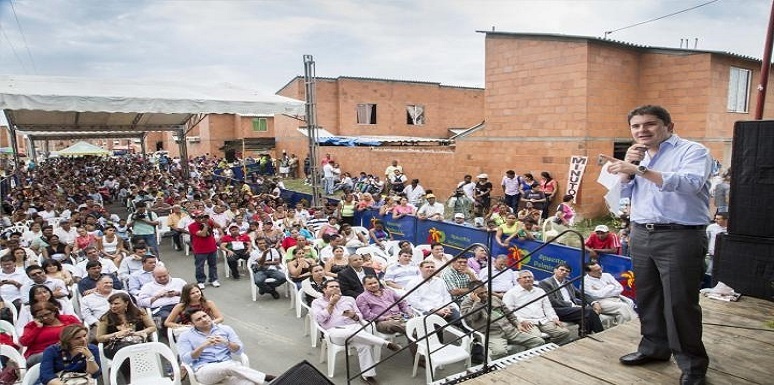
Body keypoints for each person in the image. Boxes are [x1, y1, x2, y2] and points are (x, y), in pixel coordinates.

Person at [601, 105, 711, 384]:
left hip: (680, 235)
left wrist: (638, 168)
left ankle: (692, 364)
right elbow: (619, 197)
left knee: (680, 303)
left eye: (649, 124)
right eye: (636, 126)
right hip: (640, 233)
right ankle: (654, 348)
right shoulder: (636, 155)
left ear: (669, 126)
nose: (642, 130)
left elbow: (689, 184)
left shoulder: (693, 151)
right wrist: (626, 171)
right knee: (648, 297)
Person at [312, 280, 400, 385]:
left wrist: (354, 316)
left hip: (354, 327)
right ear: (324, 289)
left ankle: (367, 376)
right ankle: (384, 343)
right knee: (353, 334)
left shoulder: (349, 299)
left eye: (337, 286)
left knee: (365, 345)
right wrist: (331, 304)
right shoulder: (317, 302)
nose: (335, 288)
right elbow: (319, 319)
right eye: (332, 287)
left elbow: (360, 316)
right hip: (335, 331)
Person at [179, 309, 275, 384]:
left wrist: (226, 343)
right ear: (191, 324)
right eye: (198, 319)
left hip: (229, 369)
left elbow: (239, 350)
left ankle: (262, 378)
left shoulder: (225, 329)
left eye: (205, 316)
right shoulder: (185, 335)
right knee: (228, 367)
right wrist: (203, 346)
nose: (204, 319)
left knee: (249, 383)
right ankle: (267, 377)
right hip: (205, 370)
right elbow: (186, 359)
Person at [460, 281, 545, 357]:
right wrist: (477, 302)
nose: (485, 295)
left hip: (510, 330)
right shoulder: (466, 304)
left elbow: (509, 313)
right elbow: (472, 318)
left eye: (486, 292)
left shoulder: (494, 299)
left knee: (539, 342)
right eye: (481, 293)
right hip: (493, 335)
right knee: (500, 352)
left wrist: (517, 324)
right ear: (472, 294)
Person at [502, 270, 570, 344]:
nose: (528, 279)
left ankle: (550, 347)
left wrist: (554, 318)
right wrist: (520, 320)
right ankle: (543, 347)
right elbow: (508, 311)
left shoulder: (540, 291)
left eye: (530, 277)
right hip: (526, 321)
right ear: (518, 280)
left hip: (543, 320)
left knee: (564, 332)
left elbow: (548, 308)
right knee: (537, 337)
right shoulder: (511, 293)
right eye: (524, 277)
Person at [538, 263, 604, 335]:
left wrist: (594, 302)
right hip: (557, 310)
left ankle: (584, 337)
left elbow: (580, 294)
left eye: (567, 271)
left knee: (585, 319)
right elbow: (552, 301)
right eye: (562, 270)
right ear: (555, 270)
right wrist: (572, 305)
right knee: (589, 311)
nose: (564, 272)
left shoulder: (568, 283)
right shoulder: (545, 283)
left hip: (570, 310)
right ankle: (601, 334)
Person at [95, 292, 157, 359]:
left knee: (137, 349)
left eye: (116, 304)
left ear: (126, 303)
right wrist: (117, 334)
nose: (113, 306)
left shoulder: (139, 313)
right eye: (111, 304)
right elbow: (99, 338)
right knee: (128, 350)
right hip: (115, 346)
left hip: (138, 342)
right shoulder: (105, 318)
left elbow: (152, 327)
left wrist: (136, 333)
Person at [20, 301, 82, 366]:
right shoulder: (32, 326)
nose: (45, 318)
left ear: (54, 312)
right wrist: (37, 328)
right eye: (40, 316)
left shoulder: (69, 319)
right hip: (39, 354)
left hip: (69, 349)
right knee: (51, 355)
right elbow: (24, 342)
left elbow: (82, 332)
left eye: (47, 314)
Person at [188, 210, 221, 289]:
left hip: (212, 246)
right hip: (200, 249)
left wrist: (211, 220)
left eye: (202, 216)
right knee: (200, 266)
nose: (201, 218)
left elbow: (218, 226)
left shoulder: (208, 221)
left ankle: (213, 279)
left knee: (213, 264)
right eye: (199, 217)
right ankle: (200, 281)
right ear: (195, 218)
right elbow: (202, 234)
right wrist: (206, 225)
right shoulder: (192, 226)